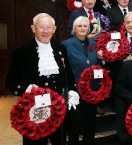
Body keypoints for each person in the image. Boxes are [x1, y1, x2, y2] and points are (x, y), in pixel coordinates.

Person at [6, 13, 75, 145]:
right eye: (41, 27)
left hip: (58, 112)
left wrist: (72, 90)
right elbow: (11, 83)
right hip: (34, 113)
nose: (45, 31)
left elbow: (68, 75)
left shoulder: (61, 49)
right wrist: (28, 89)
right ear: (33, 28)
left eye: (49, 27)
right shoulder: (21, 52)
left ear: (54, 29)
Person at [62, 16, 102, 145]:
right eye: (80, 26)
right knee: (75, 126)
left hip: (92, 91)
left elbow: (98, 66)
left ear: (89, 28)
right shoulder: (66, 45)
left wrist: (102, 59)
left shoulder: (94, 44)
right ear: (74, 28)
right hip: (75, 92)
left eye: (85, 26)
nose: (83, 28)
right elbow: (65, 70)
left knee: (90, 125)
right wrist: (69, 90)